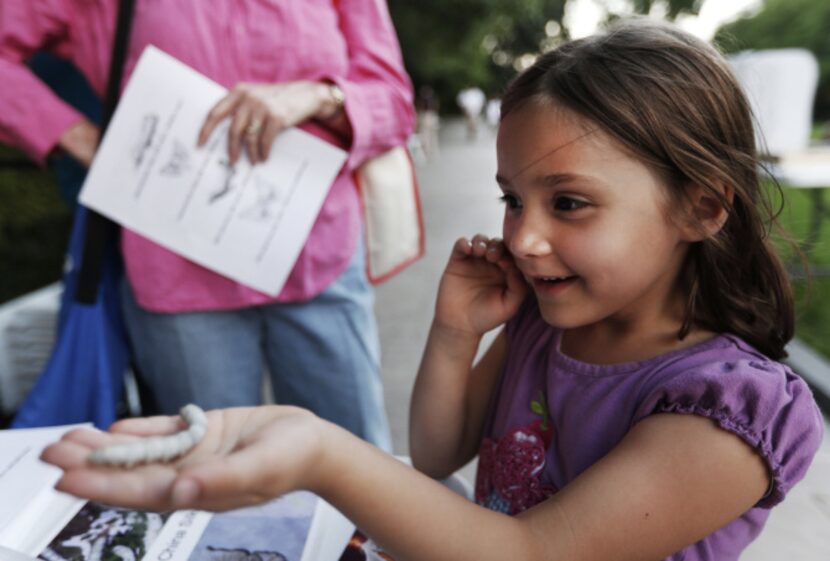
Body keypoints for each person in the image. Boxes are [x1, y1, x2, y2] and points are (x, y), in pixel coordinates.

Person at [43, 20, 824, 561]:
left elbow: (528, 549)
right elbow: (438, 453)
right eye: (512, 198)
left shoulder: (725, 411)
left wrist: (321, 450)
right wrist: (456, 331)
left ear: (702, 205)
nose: (523, 237)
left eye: (569, 203)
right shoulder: (547, 328)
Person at [0, 1, 416, 450]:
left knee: (355, 467)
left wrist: (319, 96)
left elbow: (392, 99)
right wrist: (79, 137)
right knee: (209, 483)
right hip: (177, 270)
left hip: (317, 253)